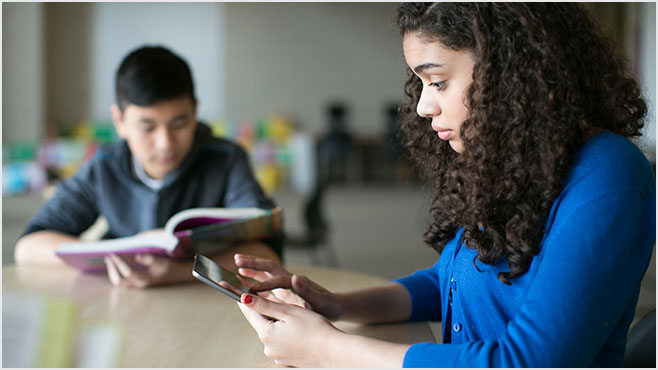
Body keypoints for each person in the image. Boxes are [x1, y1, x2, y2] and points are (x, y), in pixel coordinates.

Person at [224, 3, 656, 367]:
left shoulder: (609, 175)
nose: (425, 106)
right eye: (422, 84)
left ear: (508, 74)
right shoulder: (514, 159)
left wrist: (327, 348)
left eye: (439, 82)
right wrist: (339, 304)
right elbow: (451, 281)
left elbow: (527, 360)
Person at [14, 45, 282, 288]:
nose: (165, 143)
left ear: (195, 110)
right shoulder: (104, 166)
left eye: (179, 124)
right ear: (119, 121)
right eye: (147, 127)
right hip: (124, 305)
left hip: (203, 304)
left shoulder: (225, 159)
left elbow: (267, 254)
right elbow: (28, 248)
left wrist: (176, 271)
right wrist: (113, 260)